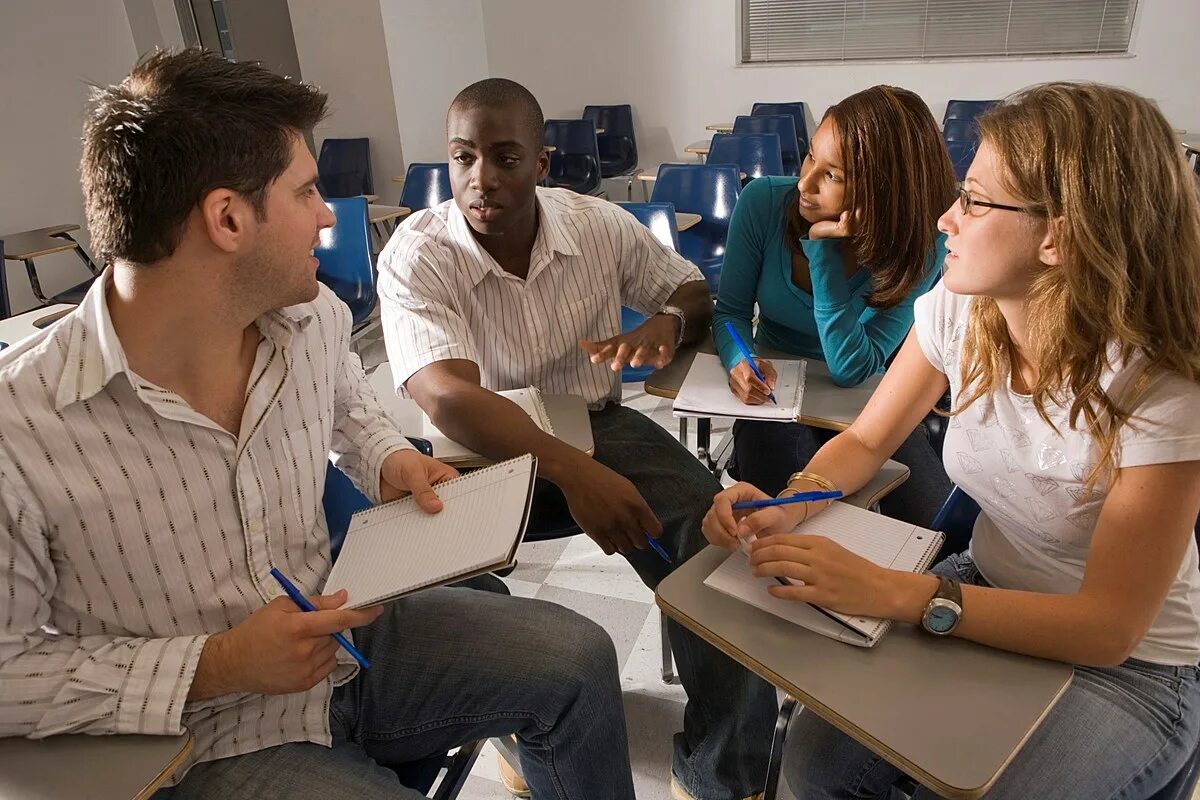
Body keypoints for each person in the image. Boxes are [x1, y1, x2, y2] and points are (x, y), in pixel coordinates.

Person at [0, 49, 636, 800]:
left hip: (343, 641)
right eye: (307, 192)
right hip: (206, 735)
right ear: (228, 218)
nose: (329, 215)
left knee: (579, 658)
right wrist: (220, 664)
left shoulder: (313, 320)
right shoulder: (22, 429)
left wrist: (390, 459)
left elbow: (350, 414)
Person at [703, 82, 1200, 799]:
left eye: (972, 200)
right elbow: (869, 439)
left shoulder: (1160, 385)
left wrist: (895, 593)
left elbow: (1107, 628)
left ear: (1058, 235)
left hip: (1133, 671)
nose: (944, 220)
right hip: (987, 587)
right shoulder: (960, 310)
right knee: (815, 760)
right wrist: (788, 503)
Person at [377, 78, 777, 800]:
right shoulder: (419, 251)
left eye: (504, 157)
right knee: (439, 582)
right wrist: (572, 472)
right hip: (482, 448)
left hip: (596, 424)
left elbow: (689, 288)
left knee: (715, 539)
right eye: (463, 157)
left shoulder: (597, 225)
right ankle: (516, 730)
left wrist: (669, 325)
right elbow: (449, 397)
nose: (480, 179)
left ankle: (725, 772)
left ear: (543, 163)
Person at [712, 85, 955, 526]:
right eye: (810, 158)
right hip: (776, 398)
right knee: (785, 519)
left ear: (887, 190)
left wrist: (821, 254)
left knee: (933, 527)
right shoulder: (763, 202)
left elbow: (850, 369)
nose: (805, 184)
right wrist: (739, 359)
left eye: (834, 175)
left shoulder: (924, 245)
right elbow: (728, 313)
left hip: (869, 402)